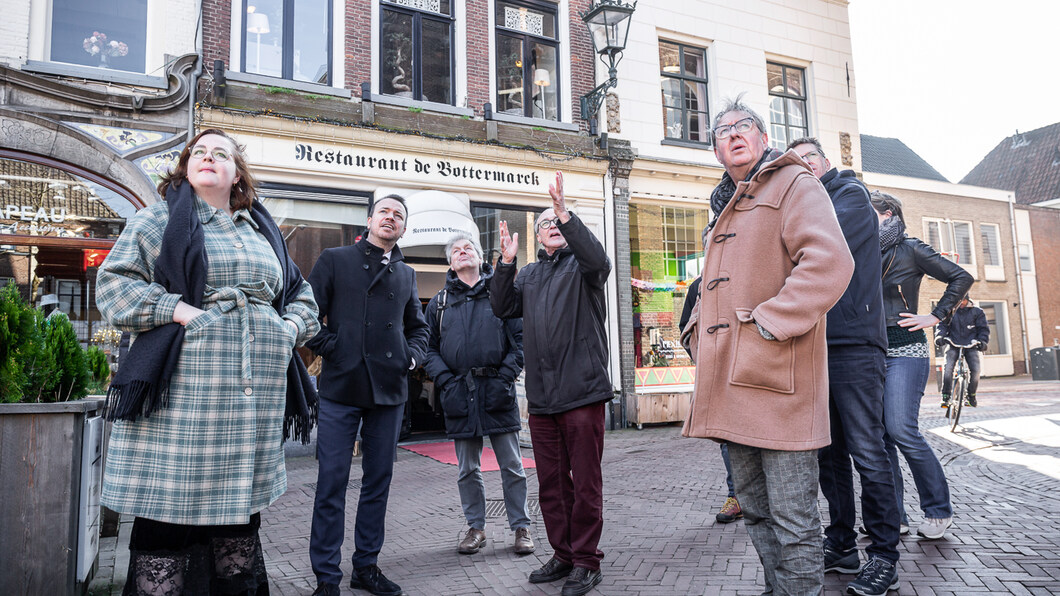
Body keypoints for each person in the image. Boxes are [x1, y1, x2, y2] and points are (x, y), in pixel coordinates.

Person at [95, 128, 320, 595]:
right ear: (185, 165)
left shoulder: (262, 230)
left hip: (251, 409)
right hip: (182, 405)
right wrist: (181, 312)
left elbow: (302, 295)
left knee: (238, 524)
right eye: (199, 151)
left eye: (222, 153)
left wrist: (288, 329)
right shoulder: (158, 220)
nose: (209, 157)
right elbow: (114, 287)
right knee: (167, 521)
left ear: (237, 173)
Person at [681, 97, 853, 596]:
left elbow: (829, 263)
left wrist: (769, 325)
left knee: (794, 518)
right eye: (720, 131)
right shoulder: (728, 202)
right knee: (753, 509)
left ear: (763, 138)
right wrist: (696, 330)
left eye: (743, 126)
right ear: (715, 151)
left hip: (779, 381)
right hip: (732, 381)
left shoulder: (795, 183)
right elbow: (714, 286)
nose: (731, 134)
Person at [490, 171, 612, 596]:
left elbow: (599, 260)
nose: (552, 227)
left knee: (586, 482)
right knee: (552, 483)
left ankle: (586, 561)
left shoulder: (584, 268)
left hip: (582, 391)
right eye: (545, 224)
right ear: (538, 237)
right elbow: (502, 307)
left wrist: (564, 212)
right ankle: (562, 555)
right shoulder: (527, 275)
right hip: (542, 398)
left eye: (557, 222)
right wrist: (505, 263)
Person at [790, 138, 901, 595]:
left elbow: (821, 242)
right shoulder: (800, 203)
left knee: (867, 450)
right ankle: (840, 543)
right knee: (827, 454)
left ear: (827, 163)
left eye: (809, 159)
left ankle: (884, 556)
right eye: (794, 163)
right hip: (814, 345)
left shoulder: (850, 195)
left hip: (855, 343)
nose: (802, 167)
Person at [305, 194, 430, 596]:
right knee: (332, 480)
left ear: (404, 229)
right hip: (341, 386)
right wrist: (333, 346)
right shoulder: (335, 259)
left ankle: (366, 566)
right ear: (370, 219)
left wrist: (411, 359)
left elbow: (419, 329)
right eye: (385, 212)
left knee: (378, 481)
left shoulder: (407, 274)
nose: (390, 218)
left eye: (398, 215)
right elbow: (306, 314)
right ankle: (327, 576)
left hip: (388, 390)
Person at [423, 232, 535, 556]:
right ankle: (476, 528)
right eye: (455, 250)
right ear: (450, 262)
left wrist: (504, 376)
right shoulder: (440, 304)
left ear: (479, 255)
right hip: (459, 393)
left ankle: (521, 528)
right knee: (467, 469)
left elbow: (521, 341)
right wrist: (446, 380)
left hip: (496, 391)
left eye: (467, 247)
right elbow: (428, 348)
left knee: (512, 464)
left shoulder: (500, 294)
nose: (462, 252)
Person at [870, 190, 973, 541]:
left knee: (901, 430)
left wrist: (934, 315)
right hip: (867, 353)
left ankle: (938, 509)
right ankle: (892, 517)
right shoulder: (858, 249)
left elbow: (960, 277)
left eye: (867, 211)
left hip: (905, 350)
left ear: (887, 214)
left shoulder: (910, 247)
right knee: (879, 439)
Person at [678, 276, 741, 525]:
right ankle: (736, 496)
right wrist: (702, 358)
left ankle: (757, 496)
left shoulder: (745, 272)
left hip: (750, 370)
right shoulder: (699, 286)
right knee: (726, 436)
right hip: (718, 372)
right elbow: (686, 326)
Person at [936, 295, 990, 407]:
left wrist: (983, 341)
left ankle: (971, 396)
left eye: (963, 300)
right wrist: (939, 336)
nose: (960, 302)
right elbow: (942, 325)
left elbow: (983, 329)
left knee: (976, 370)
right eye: (958, 300)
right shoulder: (950, 311)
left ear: (967, 299)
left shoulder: (977, 312)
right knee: (948, 368)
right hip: (953, 343)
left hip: (971, 344)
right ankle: (945, 396)